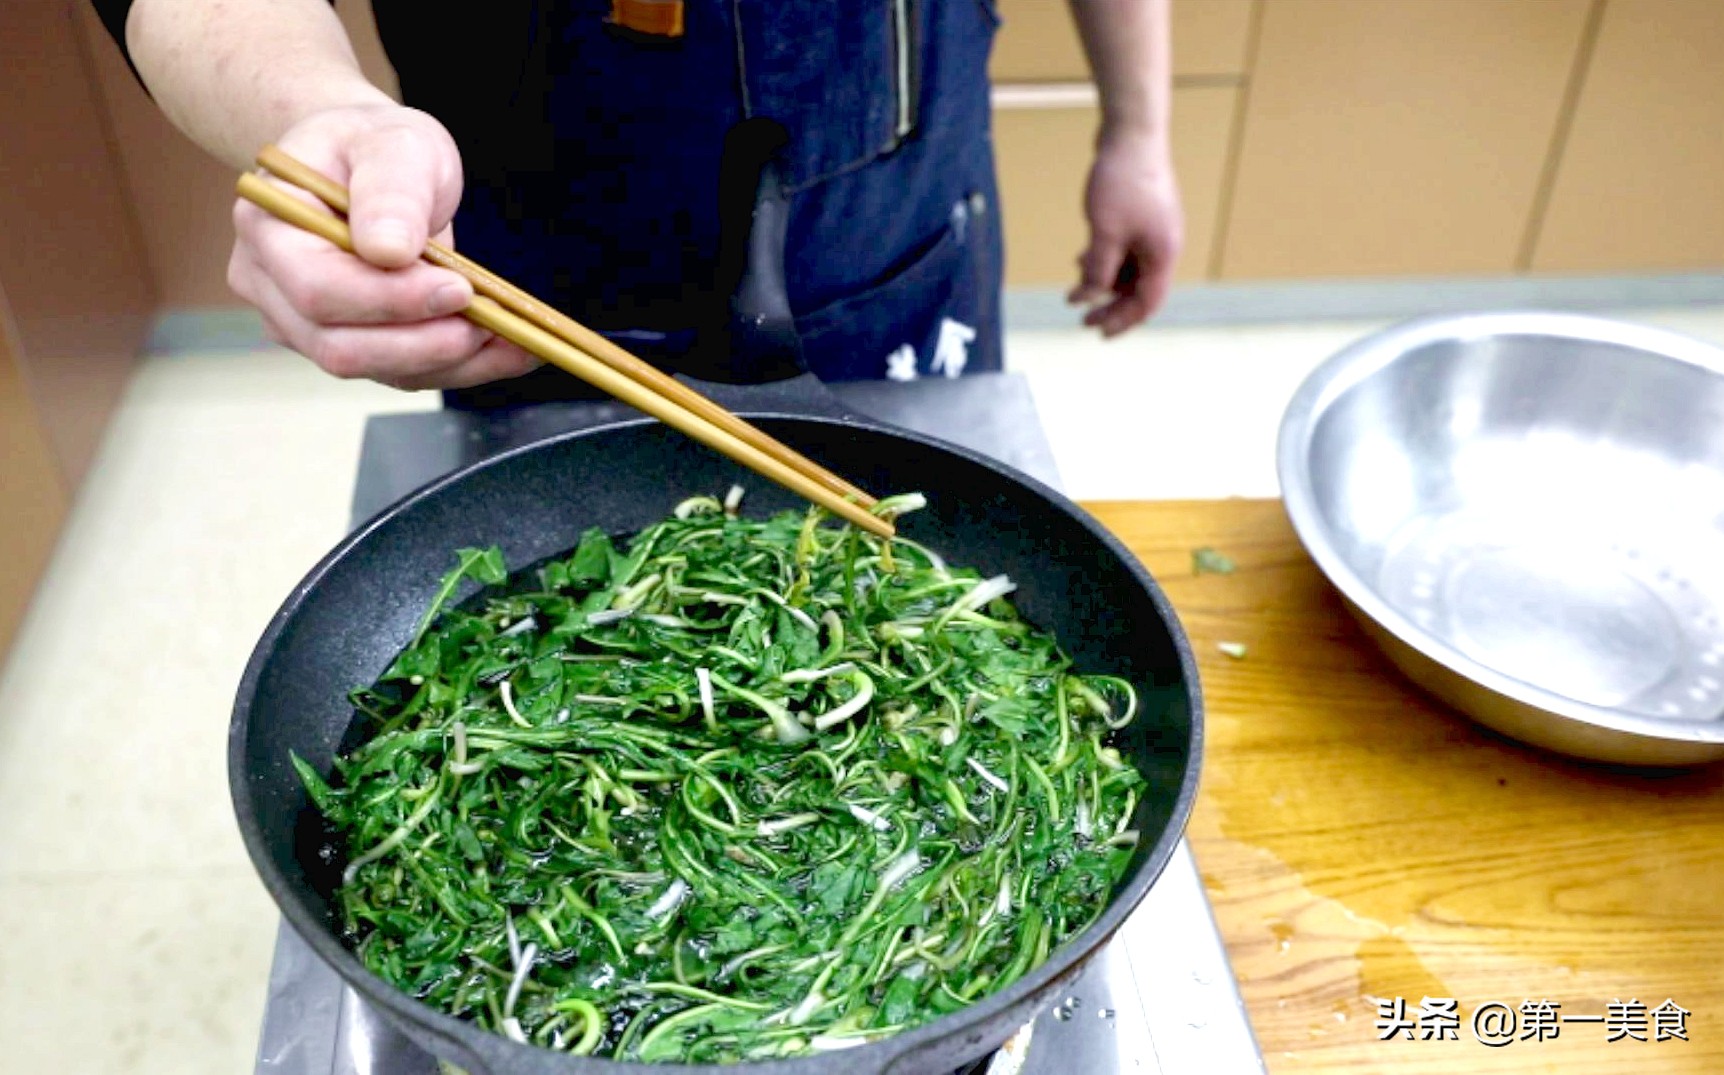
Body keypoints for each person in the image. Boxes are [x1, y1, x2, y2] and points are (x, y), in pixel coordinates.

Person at [95, 0, 1182, 408]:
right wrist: (321, 112)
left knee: (919, 591)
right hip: (537, 266)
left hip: (900, 226)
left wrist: (1137, 126)